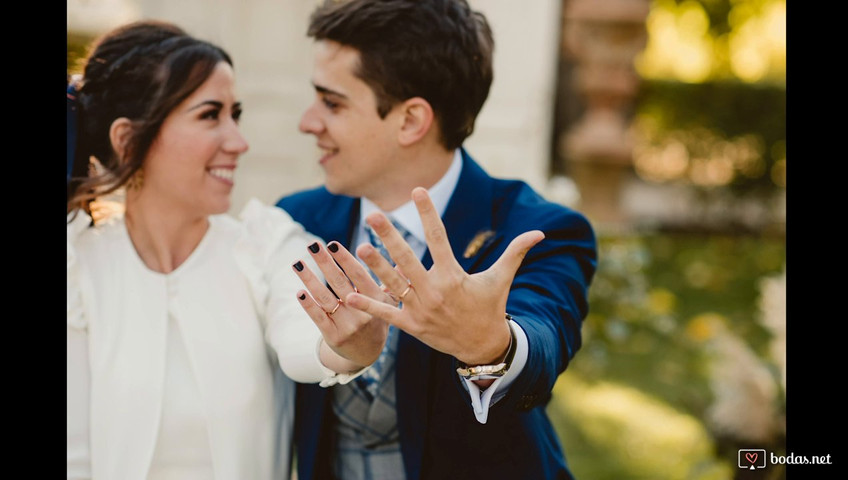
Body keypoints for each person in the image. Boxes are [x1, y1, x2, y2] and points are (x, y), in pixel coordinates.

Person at [275, 1, 598, 478]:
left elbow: (544, 344)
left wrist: (493, 345)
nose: (308, 122)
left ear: (410, 120)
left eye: (333, 102)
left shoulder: (533, 231)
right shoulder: (297, 221)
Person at [66, 20, 387, 479]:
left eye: (235, 115)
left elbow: (303, 338)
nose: (239, 142)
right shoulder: (78, 266)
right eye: (209, 115)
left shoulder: (265, 242)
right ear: (128, 139)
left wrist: (348, 347)